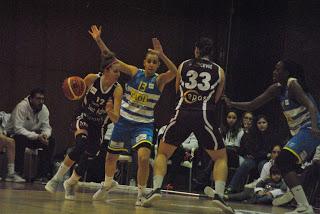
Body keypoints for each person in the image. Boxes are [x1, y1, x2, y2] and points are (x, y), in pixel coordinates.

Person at [88, 25, 177, 206]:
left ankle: (141, 193)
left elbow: (175, 72)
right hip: (123, 122)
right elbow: (112, 59)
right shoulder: (135, 72)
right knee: (110, 157)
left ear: (157, 65)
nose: (152, 64)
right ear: (144, 62)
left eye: (155, 61)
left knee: (143, 158)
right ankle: (106, 185)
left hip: (143, 125)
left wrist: (162, 54)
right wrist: (98, 40)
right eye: (149, 61)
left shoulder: (159, 80)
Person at [143, 37, 234, 213]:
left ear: (196, 50)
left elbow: (178, 89)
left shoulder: (184, 65)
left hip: (183, 112)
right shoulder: (220, 71)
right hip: (205, 115)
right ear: (211, 53)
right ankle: (220, 196)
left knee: (162, 153)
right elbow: (216, 98)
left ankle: (156, 189)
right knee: (221, 157)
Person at [225, 59, 319, 214]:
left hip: (311, 128)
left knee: (283, 160)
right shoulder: (276, 89)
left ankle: (304, 206)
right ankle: (298, 200)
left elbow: (311, 106)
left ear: (287, 72)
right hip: (302, 132)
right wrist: (232, 103)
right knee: (285, 164)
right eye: (274, 69)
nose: (274, 72)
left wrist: (315, 127)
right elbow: (252, 105)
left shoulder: (292, 84)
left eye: (278, 69)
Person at [45, 52, 123, 200]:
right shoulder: (91, 79)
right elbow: (78, 93)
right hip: (83, 117)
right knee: (80, 145)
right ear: (106, 70)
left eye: (119, 71)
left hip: (99, 125)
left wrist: (109, 111)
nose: (118, 74)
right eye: (115, 71)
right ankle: (56, 179)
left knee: (89, 156)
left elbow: (116, 118)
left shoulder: (117, 90)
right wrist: (73, 90)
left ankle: (71, 182)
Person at [5, 88, 55, 181]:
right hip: (12, 135)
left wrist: (45, 135)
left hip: (31, 136)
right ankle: (17, 172)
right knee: (20, 139)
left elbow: (47, 127)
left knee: (51, 141)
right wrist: (37, 136)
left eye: (42, 99)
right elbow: (18, 129)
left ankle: (42, 175)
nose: (41, 101)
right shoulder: (21, 107)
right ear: (31, 99)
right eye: (38, 99)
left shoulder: (44, 109)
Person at [226, 114, 276, 193]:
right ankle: (231, 188)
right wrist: (264, 154)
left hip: (264, 160)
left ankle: (264, 189)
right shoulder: (252, 134)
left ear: (268, 123)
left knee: (263, 165)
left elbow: (270, 152)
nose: (261, 125)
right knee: (246, 164)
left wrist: (263, 154)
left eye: (264, 122)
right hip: (253, 159)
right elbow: (251, 150)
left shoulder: (272, 135)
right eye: (259, 123)